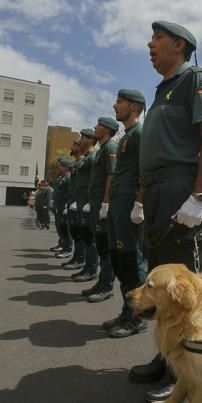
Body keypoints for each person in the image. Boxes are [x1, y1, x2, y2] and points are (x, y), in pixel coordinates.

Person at [128, 20, 202, 403]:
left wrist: (198, 197)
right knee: (162, 286)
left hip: (181, 188)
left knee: (184, 290)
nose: (150, 45)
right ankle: (167, 358)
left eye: (158, 39)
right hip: (158, 192)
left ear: (179, 45)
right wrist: (141, 199)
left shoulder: (192, 79)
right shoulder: (162, 90)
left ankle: (188, 374)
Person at [102, 90, 148, 337]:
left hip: (130, 203)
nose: (114, 105)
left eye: (119, 102)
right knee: (120, 261)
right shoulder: (126, 136)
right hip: (119, 204)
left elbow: (146, 171)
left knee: (132, 262)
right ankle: (126, 311)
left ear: (134, 106)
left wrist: (139, 204)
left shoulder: (140, 134)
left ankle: (137, 317)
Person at [83, 116, 119, 303]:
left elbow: (110, 177)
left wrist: (105, 202)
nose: (95, 127)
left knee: (105, 247)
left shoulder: (111, 148)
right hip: (96, 201)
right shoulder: (102, 150)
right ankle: (101, 281)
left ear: (106, 130)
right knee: (100, 244)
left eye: (99, 125)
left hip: (102, 203)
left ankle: (107, 285)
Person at [71, 129, 99, 283]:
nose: (80, 140)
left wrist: (90, 201)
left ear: (90, 140)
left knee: (90, 237)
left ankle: (92, 269)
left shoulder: (93, 157)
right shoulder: (86, 158)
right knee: (84, 235)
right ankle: (87, 266)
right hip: (81, 202)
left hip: (88, 203)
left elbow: (93, 181)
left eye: (83, 137)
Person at [62, 140, 86, 272]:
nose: (71, 147)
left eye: (74, 145)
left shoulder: (84, 161)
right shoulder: (76, 164)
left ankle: (81, 259)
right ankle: (77, 257)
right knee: (75, 232)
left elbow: (84, 184)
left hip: (81, 203)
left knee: (81, 234)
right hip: (73, 202)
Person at [52, 157, 74, 258]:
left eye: (61, 165)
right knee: (60, 226)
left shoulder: (69, 177)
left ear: (67, 167)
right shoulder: (61, 177)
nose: (59, 167)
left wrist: (67, 205)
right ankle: (63, 244)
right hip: (59, 205)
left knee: (66, 228)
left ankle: (68, 248)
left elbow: (70, 192)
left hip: (65, 206)